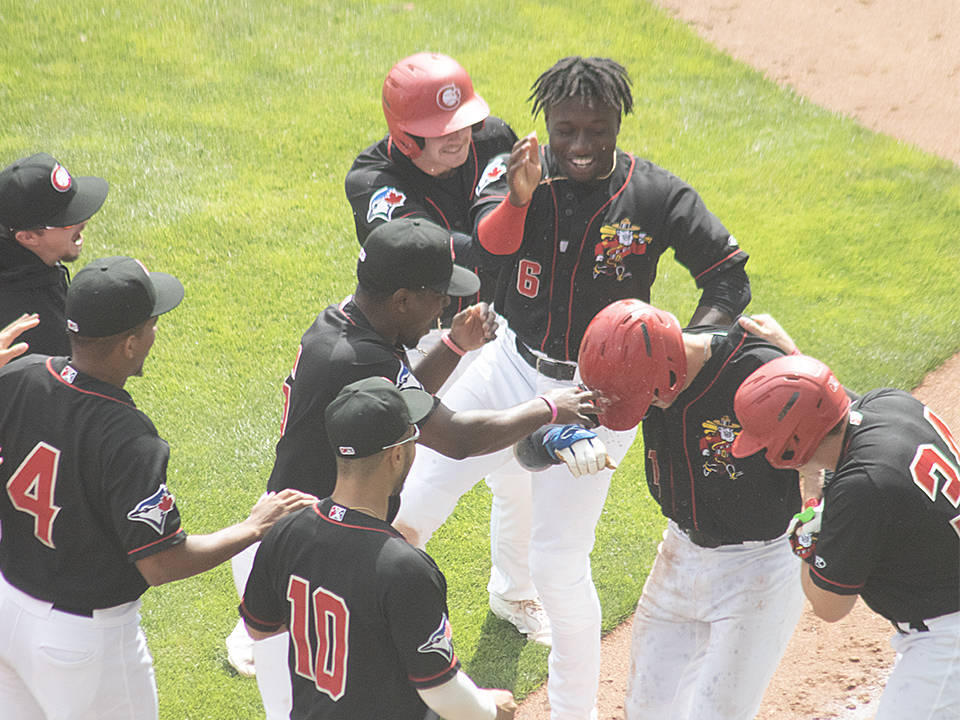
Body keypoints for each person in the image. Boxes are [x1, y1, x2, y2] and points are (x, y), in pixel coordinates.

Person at [392, 56, 752, 719]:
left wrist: (677, 356)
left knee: (559, 565)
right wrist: (523, 196)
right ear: (546, 125)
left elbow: (728, 278)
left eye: (597, 129)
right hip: (506, 366)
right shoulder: (513, 173)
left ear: (619, 121)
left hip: (602, 400)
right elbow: (488, 250)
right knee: (403, 522)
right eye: (566, 131)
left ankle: (574, 713)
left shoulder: (656, 196)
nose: (581, 147)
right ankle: (388, 686)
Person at [233, 217, 601, 720]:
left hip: (316, 536)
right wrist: (548, 408)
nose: (446, 306)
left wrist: (451, 347)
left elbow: (396, 397)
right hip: (298, 548)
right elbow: (456, 438)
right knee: (302, 708)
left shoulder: (343, 324)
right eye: (437, 295)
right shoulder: (361, 359)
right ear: (402, 299)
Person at [0, 255, 315, 720]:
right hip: (84, 645)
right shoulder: (126, 437)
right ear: (129, 344)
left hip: (8, 610)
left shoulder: (19, 376)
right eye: (151, 326)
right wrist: (252, 527)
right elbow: (162, 563)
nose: (154, 334)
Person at [343, 51, 553, 652]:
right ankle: (268, 610)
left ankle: (514, 590)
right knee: (392, 471)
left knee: (520, 471)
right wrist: (516, 213)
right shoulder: (372, 182)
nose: (458, 138)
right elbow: (451, 259)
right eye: (438, 134)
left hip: (501, 320)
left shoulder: (490, 136)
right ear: (403, 138)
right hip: (419, 329)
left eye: (462, 122)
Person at [569, 302, 804, 719]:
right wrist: (555, 439)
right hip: (678, 553)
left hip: (759, 568)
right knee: (646, 710)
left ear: (667, 374)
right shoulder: (633, 366)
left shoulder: (756, 368)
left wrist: (797, 363)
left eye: (644, 401)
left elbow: (842, 427)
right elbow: (528, 447)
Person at [241, 376, 517, 720]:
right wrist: (494, 709)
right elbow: (440, 691)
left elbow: (259, 626)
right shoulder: (403, 567)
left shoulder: (286, 530)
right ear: (397, 455)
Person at [731, 354, 960, 720]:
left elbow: (829, 606)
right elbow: (823, 405)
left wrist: (809, 512)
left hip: (947, 640)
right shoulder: (889, 402)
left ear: (793, 443)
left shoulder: (860, 489)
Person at [0, 153, 109, 357]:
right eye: (68, 220)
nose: (84, 220)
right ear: (29, 237)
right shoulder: (39, 325)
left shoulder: (21, 257)